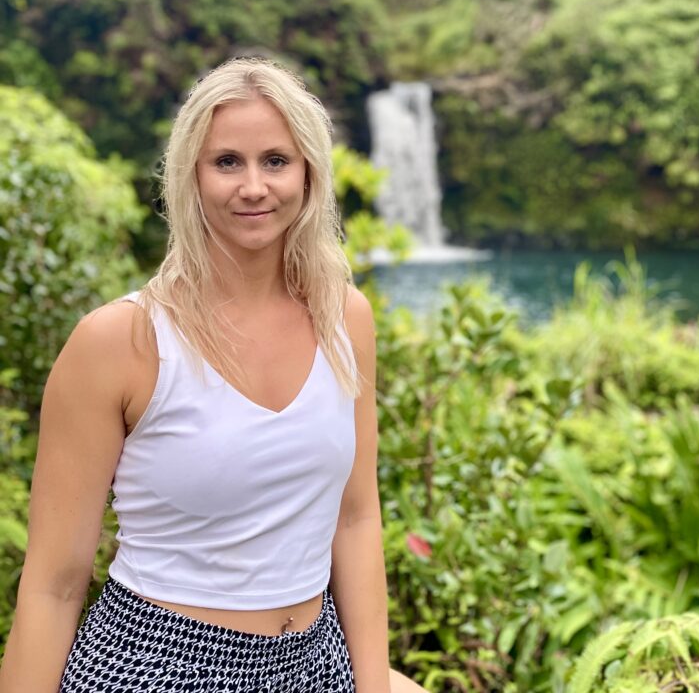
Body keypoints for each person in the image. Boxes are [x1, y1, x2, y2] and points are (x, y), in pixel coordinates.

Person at [0, 57, 422, 693]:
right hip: (158, 664)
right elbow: (55, 586)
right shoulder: (120, 342)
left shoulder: (344, 318)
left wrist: (371, 686)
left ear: (309, 172)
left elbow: (356, 519)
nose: (253, 186)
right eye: (227, 162)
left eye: (275, 161)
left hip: (314, 657)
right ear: (190, 177)